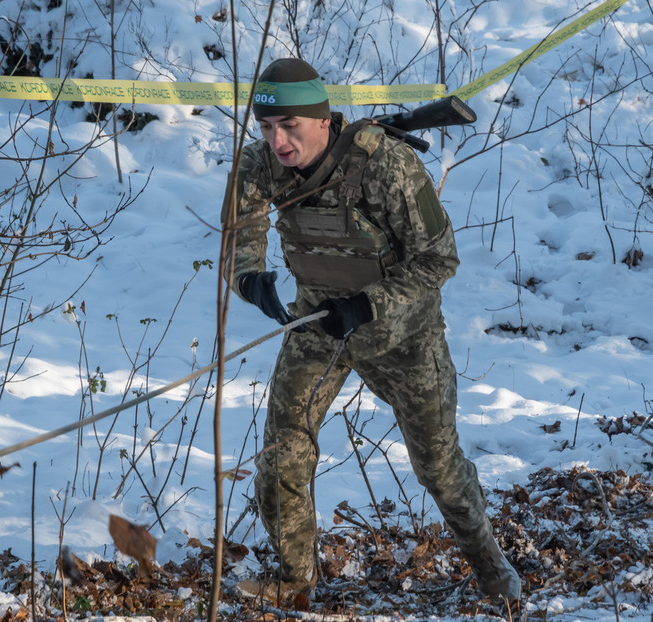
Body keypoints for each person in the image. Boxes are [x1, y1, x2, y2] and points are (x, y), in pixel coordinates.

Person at [220, 57, 520, 606]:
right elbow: (240, 231)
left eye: (289, 126)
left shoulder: (387, 167)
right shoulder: (260, 163)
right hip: (317, 324)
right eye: (266, 127)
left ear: (324, 120)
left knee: (439, 469)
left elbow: (438, 261)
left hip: (404, 336)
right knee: (282, 457)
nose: (277, 141)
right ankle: (293, 582)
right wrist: (248, 278)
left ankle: (495, 573)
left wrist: (366, 306)